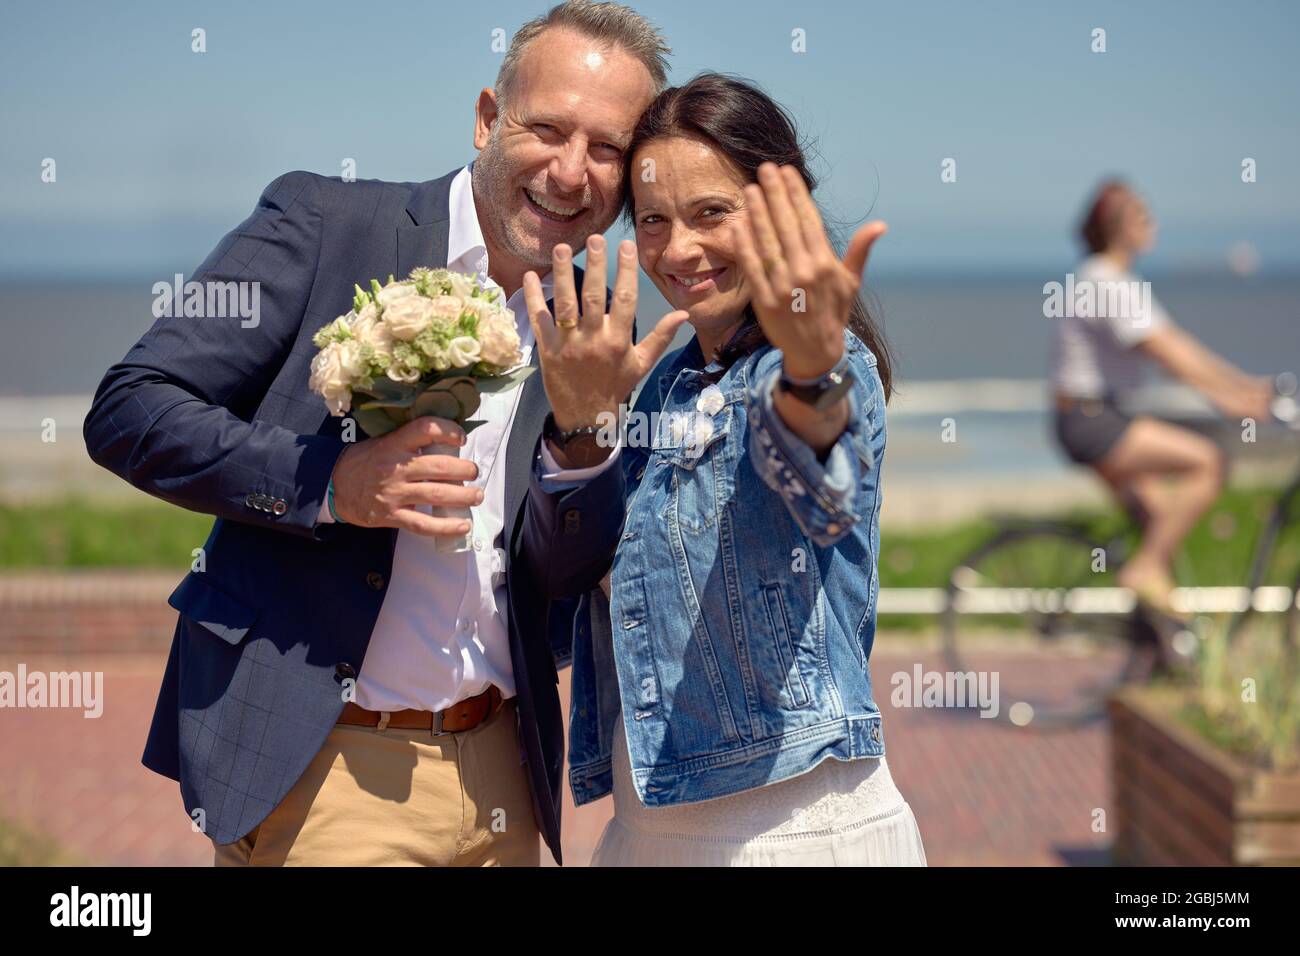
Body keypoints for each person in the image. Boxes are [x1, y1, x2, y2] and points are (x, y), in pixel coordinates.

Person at [81, 0, 679, 866]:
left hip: (506, 775)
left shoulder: (599, 325)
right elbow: (131, 407)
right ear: (486, 119)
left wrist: (584, 439)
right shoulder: (324, 224)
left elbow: (561, 571)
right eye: (547, 127)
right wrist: (331, 484)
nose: (571, 170)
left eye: (608, 149)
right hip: (331, 769)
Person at [524, 73, 927, 865]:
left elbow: (820, 489)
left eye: (712, 213)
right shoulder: (658, 385)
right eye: (654, 221)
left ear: (783, 213)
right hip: (646, 831)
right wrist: (578, 425)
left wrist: (811, 372)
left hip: (797, 833)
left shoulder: (826, 365)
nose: (680, 250)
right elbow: (561, 578)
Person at [1051, 180, 1274, 619]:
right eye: (1142, 216)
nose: (1152, 224)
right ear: (1117, 227)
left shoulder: (1109, 278)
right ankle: (1145, 571)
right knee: (1207, 462)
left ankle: (1154, 641)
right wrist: (1235, 399)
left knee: (1158, 520)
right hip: (1095, 421)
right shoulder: (1106, 282)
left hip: (1092, 417)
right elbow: (1168, 352)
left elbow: (1178, 345)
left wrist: (1245, 388)